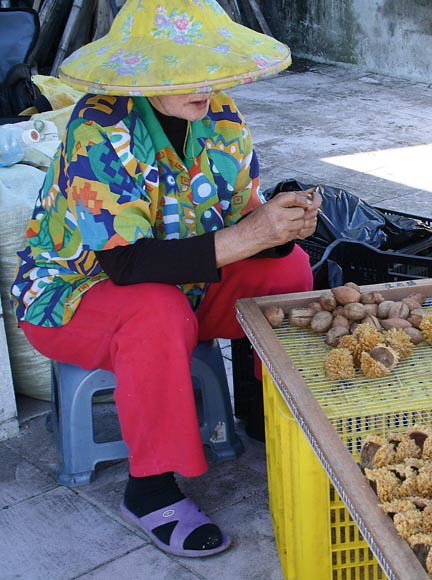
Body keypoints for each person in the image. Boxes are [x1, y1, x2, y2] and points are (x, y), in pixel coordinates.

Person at [9, 0, 318, 557]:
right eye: (184, 70)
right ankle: (150, 488)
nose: (205, 83)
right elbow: (126, 265)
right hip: (75, 295)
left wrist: (280, 228)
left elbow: (242, 215)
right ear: (141, 74)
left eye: (208, 66)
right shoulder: (98, 126)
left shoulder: (220, 115)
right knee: (156, 310)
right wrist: (250, 236)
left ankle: (270, 417)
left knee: (290, 271)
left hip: (189, 284)